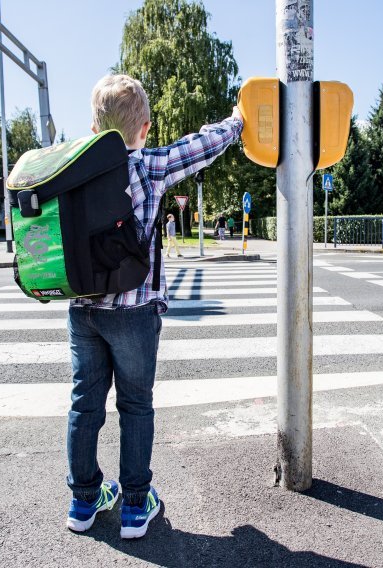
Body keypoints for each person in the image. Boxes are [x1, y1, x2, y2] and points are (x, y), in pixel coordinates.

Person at [65, 74, 243, 540]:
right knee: (136, 407)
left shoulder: (72, 168)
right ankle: (134, 507)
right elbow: (203, 146)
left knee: (85, 406)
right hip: (134, 310)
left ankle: (83, 501)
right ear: (144, 126)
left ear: (93, 126)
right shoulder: (147, 165)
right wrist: (240, 118)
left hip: (83, 308)